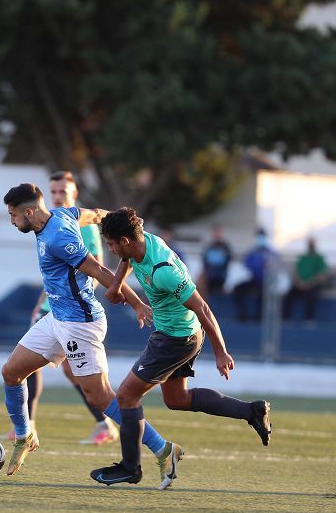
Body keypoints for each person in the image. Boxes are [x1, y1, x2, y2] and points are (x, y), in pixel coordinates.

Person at [0, 183, 183, 488]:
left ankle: (163, 448)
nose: (11, 221)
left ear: (29, 212)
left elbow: (98, 269)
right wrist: (117, 217)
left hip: (79, 324)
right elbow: (96, 214)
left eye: (12, 215)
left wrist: (137, 302)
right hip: (56, 318)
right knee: (11, 372)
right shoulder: (64, 214)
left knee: (100, 397)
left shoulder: (60, 237)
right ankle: (24, 435)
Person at [91, 208, 272, 488]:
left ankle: (130, 468)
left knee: (126, 396)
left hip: (175, 339)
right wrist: (116, 286)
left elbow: (203, 308)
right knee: (177, 399)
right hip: (180, 333)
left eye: (112, 244)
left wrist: (221, 351)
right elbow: (127, 259)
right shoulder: (141, 243)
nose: (111, 249)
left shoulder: (163, 272)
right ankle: (252, 411)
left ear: (125, 240)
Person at [20, 171, 120, 446]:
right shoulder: (49, 223)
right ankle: (26, 425)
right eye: (53, 191)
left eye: (62, 191)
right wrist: (42, 303)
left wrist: (79, 301)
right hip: (54, 309)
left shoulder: (80, 225)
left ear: (74, 194)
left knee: (86, 380)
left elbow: (95, 266)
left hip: (74, 313)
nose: (57, 196)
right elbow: (54, 274)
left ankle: (111, 424)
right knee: (24, 367)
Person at [232, 228, 277, 322]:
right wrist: (259, 265)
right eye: (258, 236)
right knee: (237, 289)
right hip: (254, 279)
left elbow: (273, 265)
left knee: (262, 292)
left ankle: (258, 318)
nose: (259, 239)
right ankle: (243, 315)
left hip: (266, 281)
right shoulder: (253, 251)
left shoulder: (269, 252)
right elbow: (247, 263)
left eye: (261, 236)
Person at [283, 237, 329, 323]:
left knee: (310, 296)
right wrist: (299, 282)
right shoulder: (302, 257)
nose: (310, 246)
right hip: (300, 284)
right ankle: (285, 318)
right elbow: (295, 271)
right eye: (309, 243)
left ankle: (309, 319)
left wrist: (308, 283)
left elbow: (322, 276)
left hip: (312, 285)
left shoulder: (319, 258)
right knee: (289, 295)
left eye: (312, 244)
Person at [199, 225, 233, 298]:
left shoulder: (225, 247)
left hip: (220, 276)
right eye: (215, 232)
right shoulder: (209, 246)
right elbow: (205, 262)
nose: (217, 234)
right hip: (209, 276)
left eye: (218, 232)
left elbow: (226, 262)